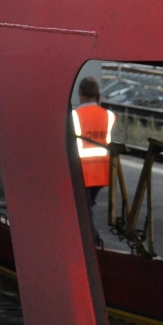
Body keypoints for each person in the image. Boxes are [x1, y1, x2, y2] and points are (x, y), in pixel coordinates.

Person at [72, 77, 116, 243]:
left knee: (84, 208)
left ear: (81, 94)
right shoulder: (109, 116)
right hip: (103, 172)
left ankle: (94, 241)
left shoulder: (75, 116)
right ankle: (89, 240)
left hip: (83, 170)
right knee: (87, 205)